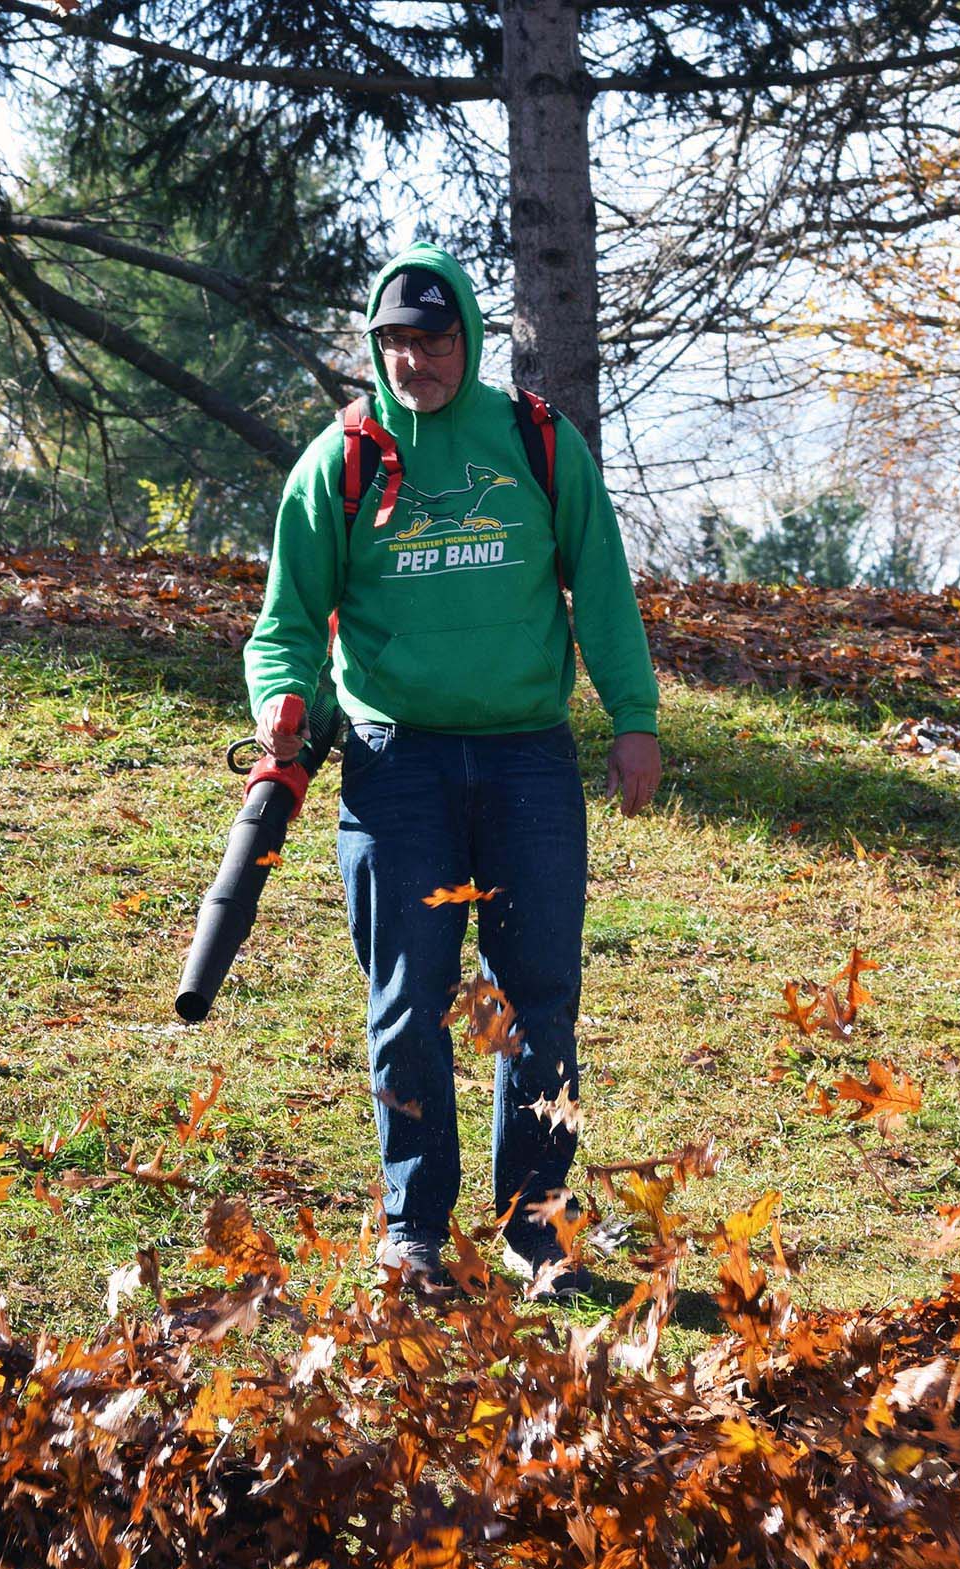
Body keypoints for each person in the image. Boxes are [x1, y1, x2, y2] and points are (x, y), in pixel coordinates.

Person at [243, 243, 661, 1292]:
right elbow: (284, 624)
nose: (413, 360)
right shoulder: (341, 463)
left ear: (467, 338)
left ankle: (537, 1230)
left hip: (528, 762)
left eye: (431, 340)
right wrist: (281, 703)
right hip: (398, 765)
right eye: (394, 342)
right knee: (409, 999)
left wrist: (634, 717)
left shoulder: (535, 441)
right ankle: (414, 1229)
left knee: (540, 1001)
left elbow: (601, 584)